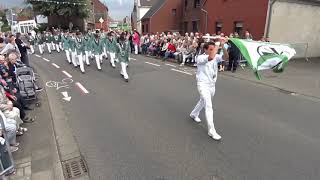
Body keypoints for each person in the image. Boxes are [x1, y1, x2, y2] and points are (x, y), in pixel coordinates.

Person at [189, 39, 229, 141]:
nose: (213, 51)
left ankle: (194, 114)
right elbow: (211, 57)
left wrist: (223, 46)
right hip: (203, 85)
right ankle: (212, 130)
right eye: (210, 49)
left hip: (212, 85)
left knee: (202, 101)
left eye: (213, 49)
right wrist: (217, 44)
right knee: (208, 105)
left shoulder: (215, 56)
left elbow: (226, 57)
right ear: (205, 50)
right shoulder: (200, 57)